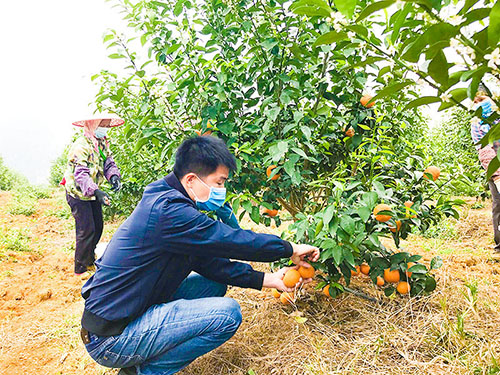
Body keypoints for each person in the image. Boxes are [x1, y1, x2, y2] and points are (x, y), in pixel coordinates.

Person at [79, 136, 320, 375]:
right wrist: (290, 248)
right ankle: (142, 372)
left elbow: (209, 263)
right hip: (110, 338)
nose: (222, 190)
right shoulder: (168, 211)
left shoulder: (168, 199)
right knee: (227, 314)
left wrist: (269, 280)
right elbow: (228, 240)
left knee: (214, 284)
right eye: (219, 183)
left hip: (131, 310)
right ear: (191, 180)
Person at [62, 117, 124, 274]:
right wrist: (97, 191)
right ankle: (81, 267)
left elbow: (108, 162)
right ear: (93, 125)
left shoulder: (101, 142)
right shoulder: (81, 146)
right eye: (102, 125)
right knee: (86, 229)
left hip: (92, 191)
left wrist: (114, 177)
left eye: (106, 125)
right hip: (78, 193)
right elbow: (80, 175)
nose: (105, 128)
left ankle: (89, 257)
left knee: (98, 226)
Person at [471, 90, 500, 255]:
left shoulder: (477, 116)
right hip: (493, 157)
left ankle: (499, 244)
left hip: (490, 159)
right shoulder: (485, 107)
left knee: (498, 204)